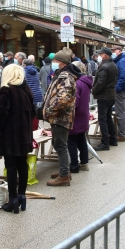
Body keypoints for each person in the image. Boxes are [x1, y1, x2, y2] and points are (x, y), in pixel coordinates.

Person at [0, 64, 35, 213]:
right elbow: (33, 112)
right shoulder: (26, 90)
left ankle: (13, 199)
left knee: (11, 167)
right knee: (22, 164)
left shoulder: (6, 91)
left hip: (10, 136)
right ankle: (22, 196)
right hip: (24, 134)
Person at [43, 47, 79, 187]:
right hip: (58, 116)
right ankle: (64, 170)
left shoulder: (65, 77)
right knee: (58, 144)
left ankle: (64, 175)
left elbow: (63, 99)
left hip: (60, 117)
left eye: (56, 60)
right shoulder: (60, 74)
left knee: (60, 145)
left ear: (63, 62)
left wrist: (50, 111)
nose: (54, 62)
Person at [91, 47, 118, 150]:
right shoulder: (113, 65)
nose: (99, 57)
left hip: (104, 96)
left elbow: (100, 83)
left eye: (100, 54)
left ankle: (105, 143)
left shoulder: (104, 66)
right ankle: (113, 139)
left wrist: (94, 90)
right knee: (108, 117)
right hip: (111, 95)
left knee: (102, 119)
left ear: (105, 55)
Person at [68, 61, 92, 173]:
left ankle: (74, 165)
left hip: (76, 114)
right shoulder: (85, 81)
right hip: (83, 113)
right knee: (81, 138)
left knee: (71, 140)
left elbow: (75, 102)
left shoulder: (77, 83)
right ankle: (84, 162)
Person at [23, 57, 44, 130]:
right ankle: (35, 130)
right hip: (38, 94)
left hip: (29, 95)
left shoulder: (23, 71)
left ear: (24, 65)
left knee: (28, 114)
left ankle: (30, 131)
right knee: (36, 114)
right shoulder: (36, 71)